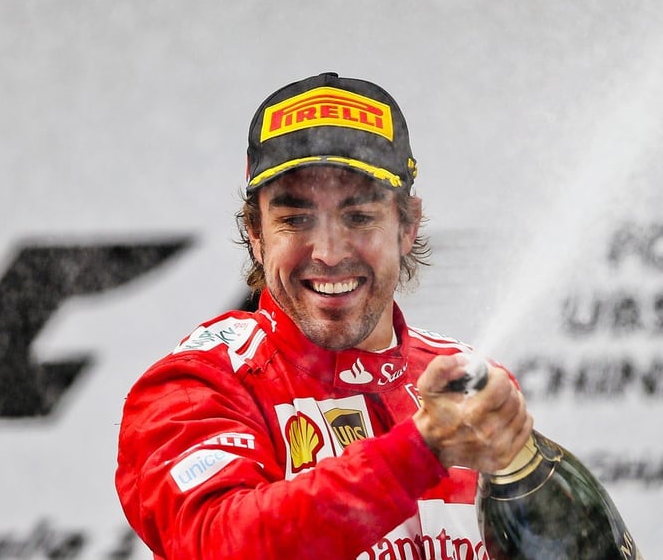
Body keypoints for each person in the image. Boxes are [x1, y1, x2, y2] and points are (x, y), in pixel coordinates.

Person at [115, 72, 535, 559]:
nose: (330, 253)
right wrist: (420, 453)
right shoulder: (199, 383)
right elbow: (218, 543)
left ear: (407, 226)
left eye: (359, 217)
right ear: (256, 232)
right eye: (295, 219)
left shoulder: (467, 385)